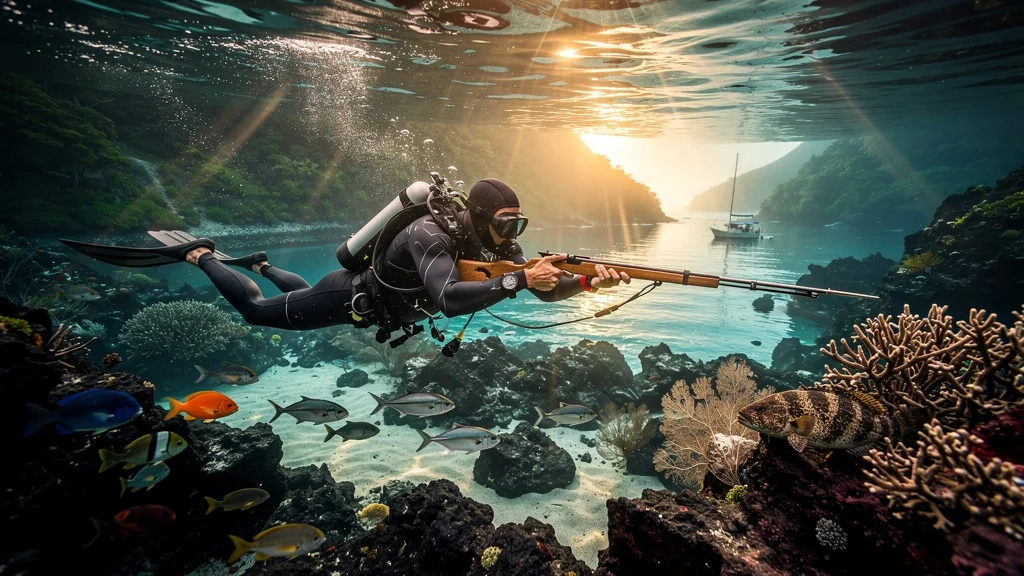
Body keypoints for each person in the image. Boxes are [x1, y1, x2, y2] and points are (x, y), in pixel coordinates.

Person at [181, 178, 630, 332]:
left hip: (385, 315)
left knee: (300, 292)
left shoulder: (502, 246)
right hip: (350, 298)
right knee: (256, 312)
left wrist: (587, 282)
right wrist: (522, 278)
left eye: (518, 223)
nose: (512, 235)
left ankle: (262, 264)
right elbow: (448, 300)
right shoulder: (428, 232)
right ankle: (202, 256)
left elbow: (546, 291)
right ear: (477, 216)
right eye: (504, 223)